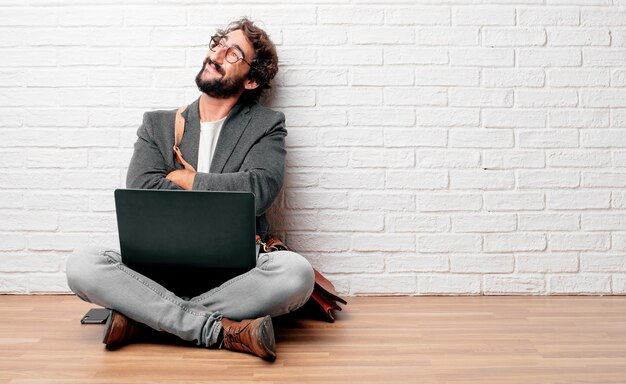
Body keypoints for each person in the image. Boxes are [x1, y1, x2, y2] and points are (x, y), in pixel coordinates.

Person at [66, 18, 315, 361]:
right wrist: (222, 188)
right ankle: (218, 330)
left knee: (296, 274)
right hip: (155, 268)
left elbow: (259, 190)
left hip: (236, 274)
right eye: (217, 44)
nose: (215, 54)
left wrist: (186, 178)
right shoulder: (158, 125)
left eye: (232, 53)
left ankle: (144, 320)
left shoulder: (265, 125)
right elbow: (142, 187)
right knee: (82, 265)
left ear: (252, 79)